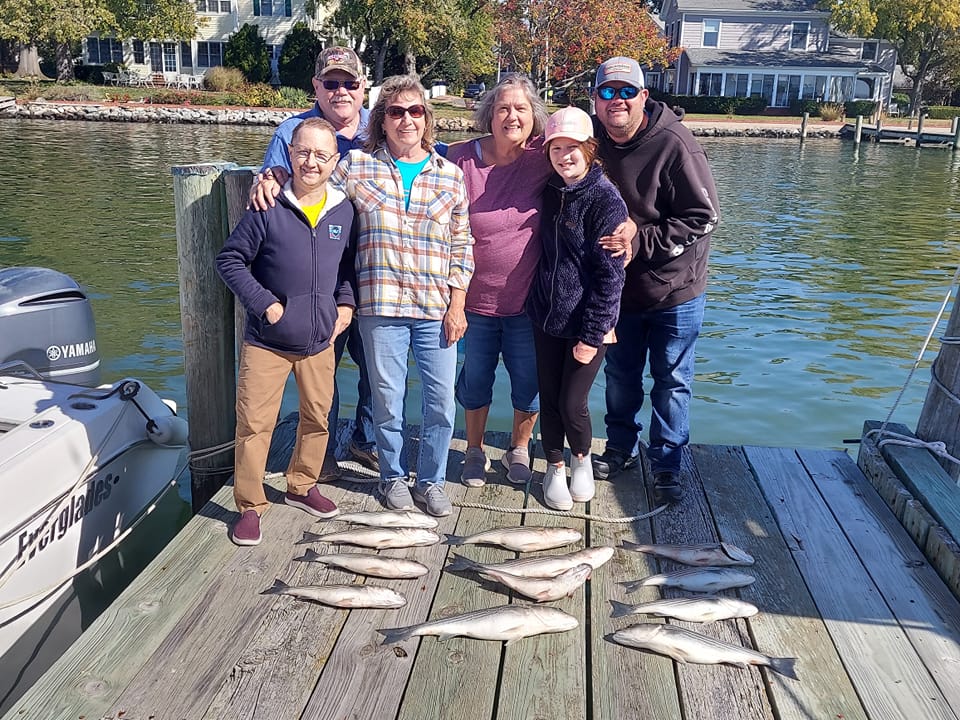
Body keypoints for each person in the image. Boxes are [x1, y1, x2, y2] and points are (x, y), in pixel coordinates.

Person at [329, 74, 474, 517]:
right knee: (388, 401)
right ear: (382, 120)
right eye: (396, 111)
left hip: (435, 309)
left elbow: (462, 244)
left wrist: (458, 304)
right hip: (380, 307)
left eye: (415, 111)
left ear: (427, 119)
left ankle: (430, 480)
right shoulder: (355, 166)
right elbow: (314, 198)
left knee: (441, 402)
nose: (406, 119)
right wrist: (272, 176)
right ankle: (391, 477)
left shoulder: (450, 176)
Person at [216, 118, 356, 545]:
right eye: (303, 152)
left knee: (317, 418)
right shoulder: (268, 206)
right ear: (290, 153)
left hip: (319, 341)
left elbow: (346, 267)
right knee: (256, 425)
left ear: (335, 161)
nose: (311, 162)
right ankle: (250, 505)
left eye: (321, 155)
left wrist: (346, 305)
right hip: (268, 342)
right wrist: (267, 306)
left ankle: (301, 484)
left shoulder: (343, 209)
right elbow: (230, 261)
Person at [590, 56, 720, 506]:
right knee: (621, 376)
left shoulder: (675, 144)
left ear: (644, 96)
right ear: (595, 99)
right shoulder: (591, 142)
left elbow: (705, 217)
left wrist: (638, 240)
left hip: (676, 289)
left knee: (672, 379)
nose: (617, 101)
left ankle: (666, 464)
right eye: (608, 92)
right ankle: (621, 448)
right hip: (620, 291)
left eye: (628, 91)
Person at [256, 46, 378, 479]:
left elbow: (424, 152)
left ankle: (366, 440)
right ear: (316, 87)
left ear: (364, 87)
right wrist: (265, 177)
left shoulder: (381, 128)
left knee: (379, 368)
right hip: (323, 276)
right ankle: (318, 456)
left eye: (350, 82)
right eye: (332, 83)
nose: (341, 91)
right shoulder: (291, 133)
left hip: (379, 271)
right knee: (319, 370)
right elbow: (274, 203)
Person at [445, 74, 552, 488]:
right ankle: (473, 450)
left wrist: (627, 225)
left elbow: (593, 171)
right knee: (475, 379)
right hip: (472, 300)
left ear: (534, 116)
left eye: (521, 108)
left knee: (528, 381)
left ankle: (519, 448)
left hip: (527, 302)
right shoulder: (459, 158)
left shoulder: (544, 157)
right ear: (488, 114)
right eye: (503, 108)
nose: (512, 115)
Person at [526, 107, 627, 511]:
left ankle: (580, 459)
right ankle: (553, 466)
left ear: (589, 149)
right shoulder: (550, 189)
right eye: (556, 148)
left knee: (573, 402)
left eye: (572, 148)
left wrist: (590, 336)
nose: (564, 156)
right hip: (545, 317)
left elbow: (611, 279)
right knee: (549, 398)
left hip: (588, 323)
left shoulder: (605, 200)